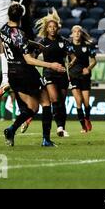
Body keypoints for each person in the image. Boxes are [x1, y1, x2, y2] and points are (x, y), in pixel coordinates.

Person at [1, 3, 66, 147]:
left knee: (32, 108)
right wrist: (51, 65)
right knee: (45, 103)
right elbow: (29, 60)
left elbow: (16, 41)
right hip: (25, 72)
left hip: (12, 73)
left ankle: (11, 130)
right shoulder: (20, 34)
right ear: (21, 17)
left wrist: (34, 45)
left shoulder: (4, 29)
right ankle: (46, 140)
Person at [31, 8, 72, 137]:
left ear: (57, 28)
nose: (52, 29)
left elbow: (72, 55)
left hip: (62, 74)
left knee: (61, 102)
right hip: (49, 73)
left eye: (54, 27)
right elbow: (33, 57)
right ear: (46, 29)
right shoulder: (42, 42)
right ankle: (59, 127)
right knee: (54, 99)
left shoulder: (64, 41)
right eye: (50, 27)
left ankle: (61, 127)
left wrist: (71, 64)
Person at [68, 25, 97, 133]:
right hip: (73, 76)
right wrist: (67, 64)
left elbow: (94, 61)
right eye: (74, 31)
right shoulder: (68, 46)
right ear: (72, 34)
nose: (77, 33)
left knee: (86, 102)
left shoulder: (88, 46)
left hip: (85, 76)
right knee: (78, 101)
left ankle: (87, 119)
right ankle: (83, 126)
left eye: (78, 31)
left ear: (81, 33)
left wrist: (88, 68)